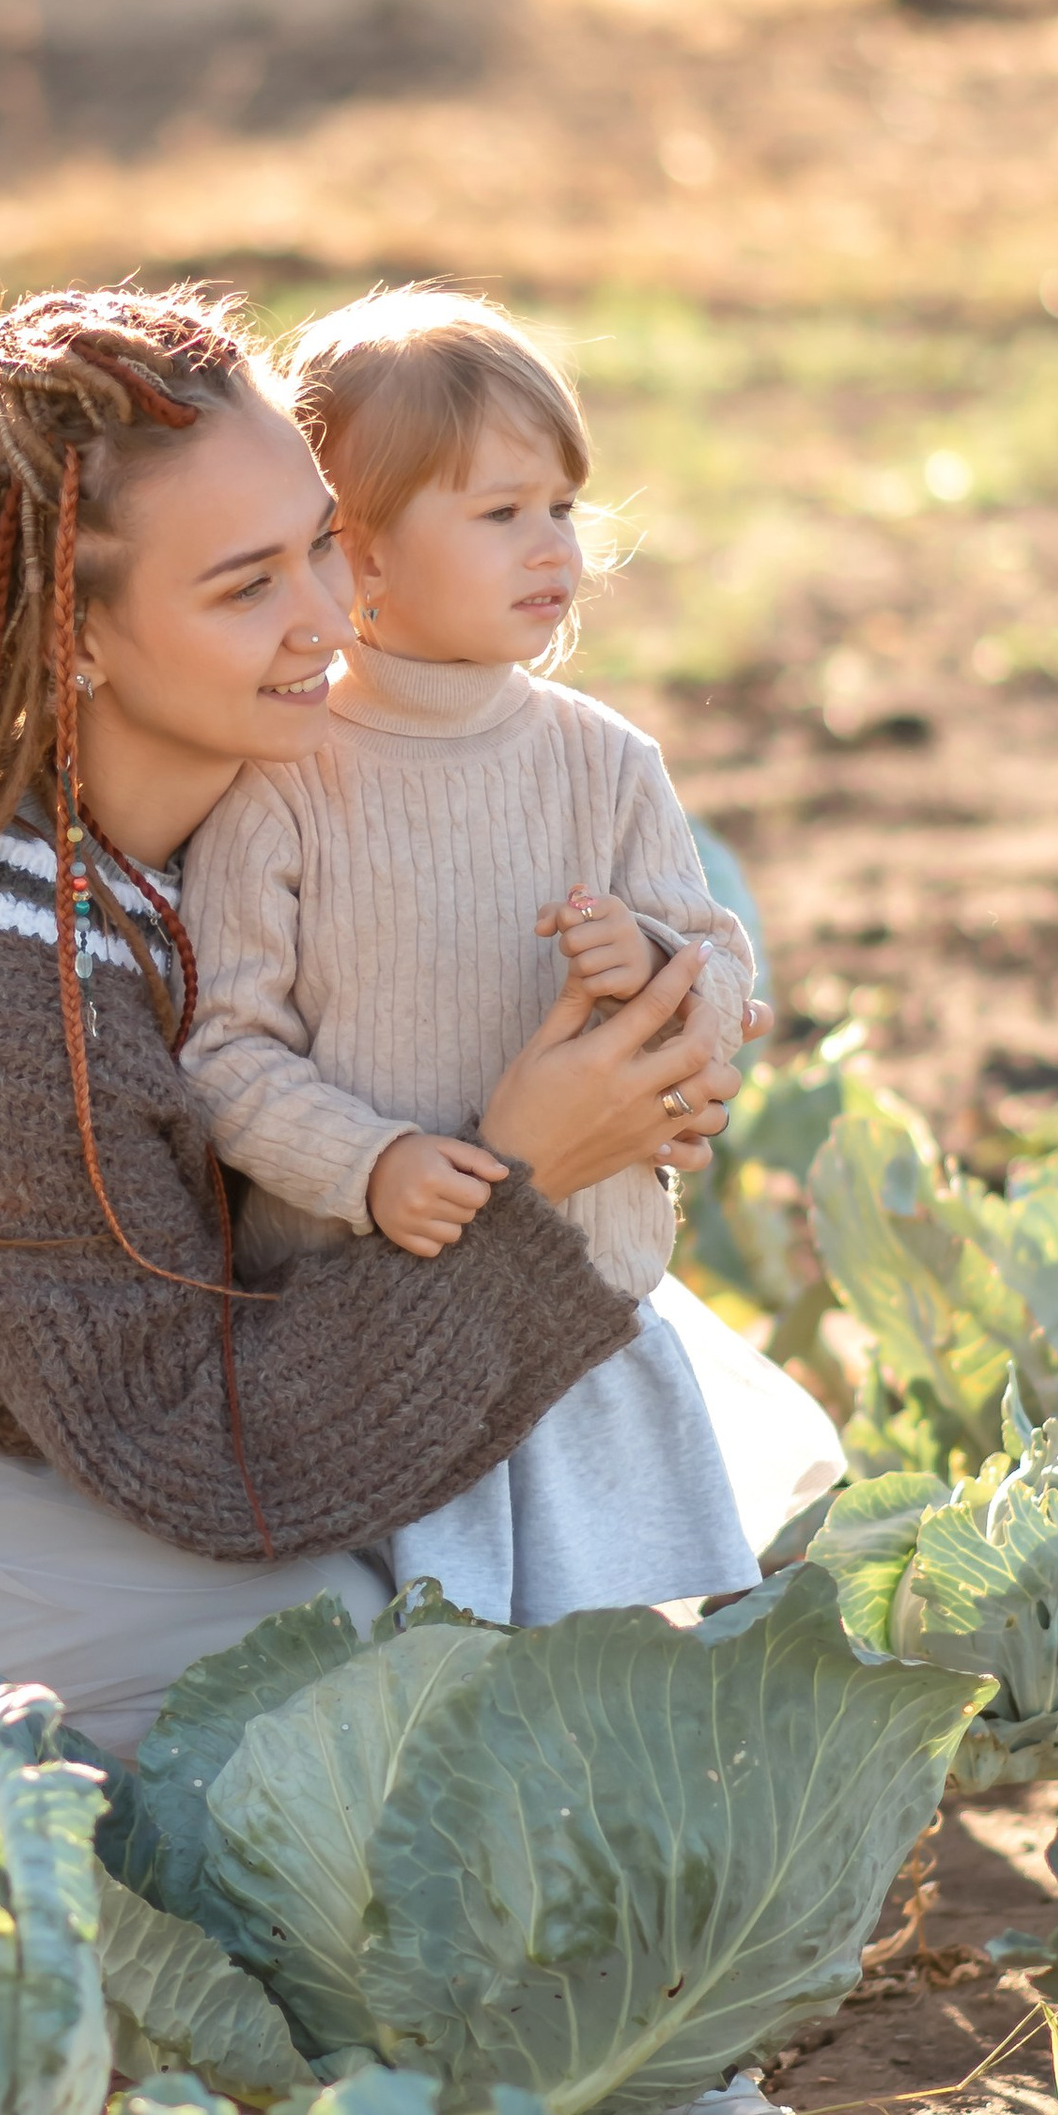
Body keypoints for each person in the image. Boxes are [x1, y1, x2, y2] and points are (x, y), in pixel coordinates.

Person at [0, 283, 746, 1780]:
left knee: (664, 1411)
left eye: (320, 543)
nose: (325, 615)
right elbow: (202, 1450)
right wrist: (530, 1169)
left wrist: (654, 1062)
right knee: (358, 1645)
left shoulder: (242, 818)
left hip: (53, 1440)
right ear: (76, 637)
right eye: (244, 589)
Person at [176, 285, 840, 1629]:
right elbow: (225, 1052)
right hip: (383, 1338)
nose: (553, 548)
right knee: (444, 1669)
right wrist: (372, 1163)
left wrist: (656, 960)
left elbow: (720, 969)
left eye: (562, 509)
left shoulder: (602, 761)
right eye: (499, 515)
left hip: (581, 1316)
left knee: (615, 1667)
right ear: (354, 554)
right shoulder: (288, 784)